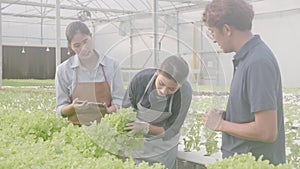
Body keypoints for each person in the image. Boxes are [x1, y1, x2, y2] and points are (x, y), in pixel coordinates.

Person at [201, 0, 286, 165]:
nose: (214, 40)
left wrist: (221, 124)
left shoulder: (257, 63)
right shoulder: (246, 59)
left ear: (226, 29)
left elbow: (266, 132)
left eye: (212, 32)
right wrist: (229, 116)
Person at [122, 55, 192, 169]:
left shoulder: (185, 93)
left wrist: (146, 128)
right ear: (158, 71)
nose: (163, 91)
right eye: (161, 83)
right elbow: (125, 111)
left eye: (171, 89)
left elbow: (172, 130)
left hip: (163, 145)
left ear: (181, 85)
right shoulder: (140, 80)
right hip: (138, 139)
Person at [55, 21, 125, 125]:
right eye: (77, 45)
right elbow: (60, 108)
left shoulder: (112, 65)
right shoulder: (64, 70)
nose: (83, 48)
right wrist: (72, 107)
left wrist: (107, 111)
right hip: (76, 129)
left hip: (106, 127)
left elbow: (120, 101)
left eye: (86, 42)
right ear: (70, 46)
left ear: (91, 37)